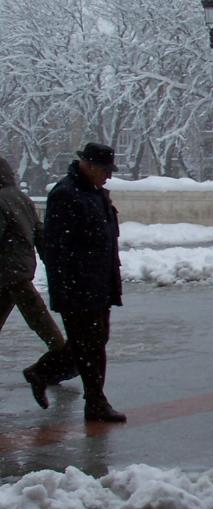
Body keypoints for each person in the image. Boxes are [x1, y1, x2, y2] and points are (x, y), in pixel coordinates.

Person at [26, 143, 126, 423]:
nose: (108, 176)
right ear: (89, 165)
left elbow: (105, 241)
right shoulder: (65, 195)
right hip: (78, 287)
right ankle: (95, 402)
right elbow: (57, 249)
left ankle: (43, 373)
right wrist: (69, 287)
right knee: (89, 345)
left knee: (92, 342)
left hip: (98, 283)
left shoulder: (95, 193)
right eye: (105, 170)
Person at [1, 157, 76, 408]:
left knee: (38, 317)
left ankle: (63, 359)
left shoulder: (1, 200)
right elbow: (39, 232)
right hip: (20, 268)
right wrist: (51, 260)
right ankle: (63, 359)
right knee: (37, 315)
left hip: (7, 271)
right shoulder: (21, 198)